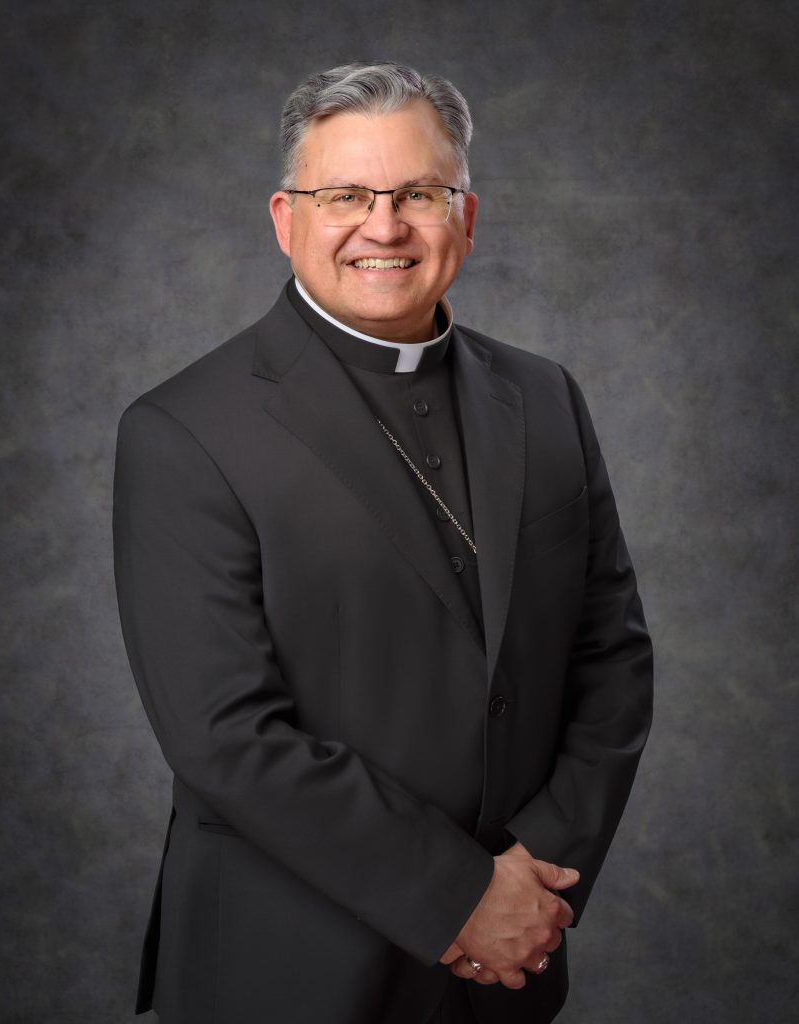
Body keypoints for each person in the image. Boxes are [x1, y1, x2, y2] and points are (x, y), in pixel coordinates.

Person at [113, 61, 653, 1024]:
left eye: (418, 194)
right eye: (345, 196)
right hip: (284, 964)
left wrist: (532, 878)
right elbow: (222, 734)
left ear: (465, 217)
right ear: (285, 220)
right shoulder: (184, 428)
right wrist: (462, 897)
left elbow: (610, 655)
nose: (384, 226)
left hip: (509, 962)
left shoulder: (542, 397)